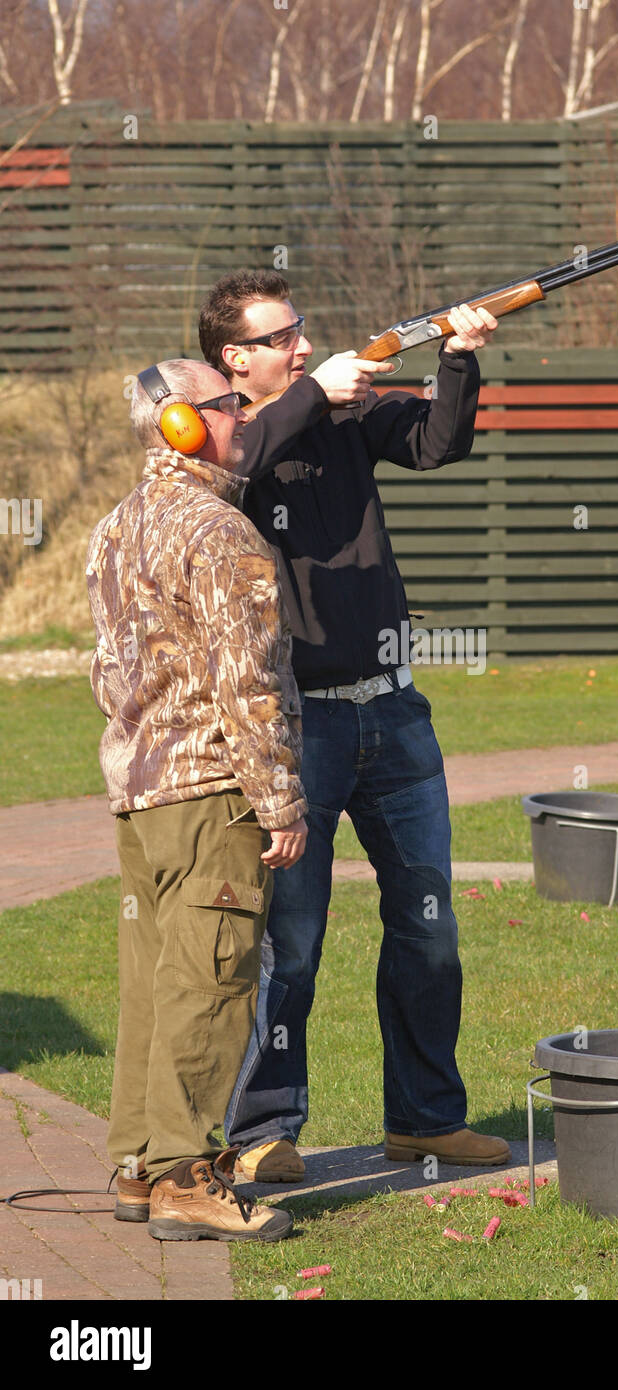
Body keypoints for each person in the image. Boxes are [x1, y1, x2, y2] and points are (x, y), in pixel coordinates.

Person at [198, 271, 511, 1182]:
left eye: (301, 331)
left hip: (394, 707)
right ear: (235, 358)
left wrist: (457, 356)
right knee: (290, 941)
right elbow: (235, 470)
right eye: (280, 336)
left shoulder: (341, 414)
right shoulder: (227, 434)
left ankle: (424, 1119)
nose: (300, 344)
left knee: (428, 925)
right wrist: (309, 393)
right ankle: (261, 1133)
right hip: (300, 723)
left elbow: (438, 444)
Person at [86, 357, 308, 1240]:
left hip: (141, 795)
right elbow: (246, 683)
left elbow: (109, 671)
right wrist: (280, 801)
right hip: (213, 791)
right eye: (230, 403)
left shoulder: (113, 527)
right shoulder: (220, 533)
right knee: (210, 983)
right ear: (183, 423)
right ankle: (184, 1178)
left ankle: (139, 1165)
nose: (246, 413)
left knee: (153, 982)